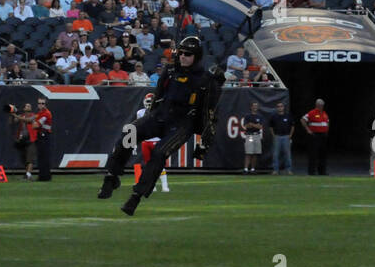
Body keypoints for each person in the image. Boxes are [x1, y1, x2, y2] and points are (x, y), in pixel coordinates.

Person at [98, 35, 222, 215]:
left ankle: (136, 196)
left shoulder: (206, 79)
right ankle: (112, 175)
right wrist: (148, 117)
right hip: (160, 116)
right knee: (130, 132)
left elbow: (210, 112)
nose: (183, 57)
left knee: (158, 153)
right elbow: (157, 95)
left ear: (197, 56)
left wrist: (205, 141)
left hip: (182, 124)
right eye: (181, 53)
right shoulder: (170, 71)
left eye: (188, 54)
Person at [301, 98, 329, 175]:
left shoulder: (324, 113)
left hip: (323, 136)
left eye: (322, 105)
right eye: (321, 105)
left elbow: (327, 122)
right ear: (317, 105)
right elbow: (303, 119)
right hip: (315, 135)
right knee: (313, 154)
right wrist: (308, 129)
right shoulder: (312, 113)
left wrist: (326, 130)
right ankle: (311, 171)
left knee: (322, 154)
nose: (322, 107)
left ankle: (322, 171)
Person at [11, 103, 38, 180]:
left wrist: (16, 116)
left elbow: (28, 120)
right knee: (25, 158)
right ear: (24, 108)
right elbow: (13, 121)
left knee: (30, 158)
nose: (28, 107)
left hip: (31, 139)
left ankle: (28, 174)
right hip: (23, 140)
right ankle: (27, 174)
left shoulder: (34, 115)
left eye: (29, 106)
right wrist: (12, 113)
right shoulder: (21, 116)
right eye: (26, 106)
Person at [240, 101, 264, 173]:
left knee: (255, 153)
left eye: (256, 106)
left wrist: (252, 124)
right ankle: (246, 169)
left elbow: (260, 126)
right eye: (254, 106)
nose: (255, 107)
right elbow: (246, 126)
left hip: (257, 135)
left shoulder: (259, 116)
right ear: (251, 107)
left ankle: (253, 169)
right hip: (250, 135)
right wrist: (255, 125)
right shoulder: (248, 116)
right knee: (248, 152)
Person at [34, 96, 53, 181]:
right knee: (41, 157)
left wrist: (33, 121)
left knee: (44, 157)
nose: (41, 105)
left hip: (44, 136)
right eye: (39, 103)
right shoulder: (39, 113)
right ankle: (43, 175)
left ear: (45, 104)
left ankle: (44, 176)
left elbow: (36, 125)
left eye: (43, 103)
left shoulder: (46, 113)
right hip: (41, 135)